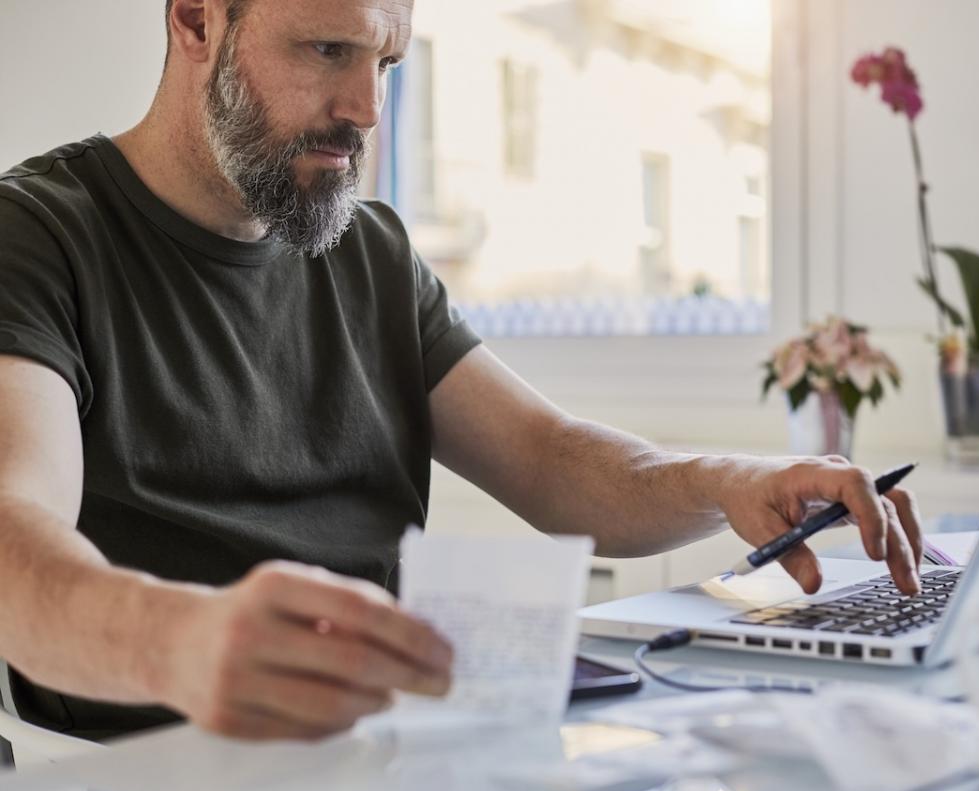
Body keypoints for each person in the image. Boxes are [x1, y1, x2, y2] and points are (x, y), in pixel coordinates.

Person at [0, 0, 924, 743]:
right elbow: (13, 530)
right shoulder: (37, 237)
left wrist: (738, 480)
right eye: (328, 49)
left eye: (389, 64)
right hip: (140, 763)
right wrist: (181, 644)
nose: (367, 108)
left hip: (382, 747)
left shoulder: (371, 252)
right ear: (197, 19)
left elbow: (555, 460)